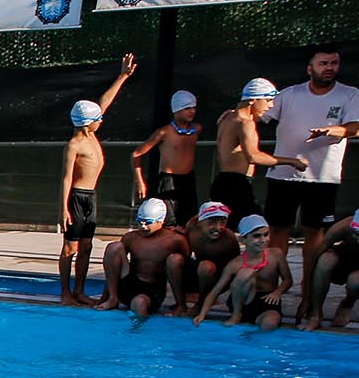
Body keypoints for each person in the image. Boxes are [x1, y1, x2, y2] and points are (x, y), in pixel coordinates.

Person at [261, 45, 359, 313]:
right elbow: (259, 113)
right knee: (277, 232)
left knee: (314, 235)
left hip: (322, 179)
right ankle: (272, 292)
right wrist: (236, 113)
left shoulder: (350, 95)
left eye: (334, 63)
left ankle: (307, 296)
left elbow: (354, 126)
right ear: (310, 68)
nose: (329, 68)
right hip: (283, 175)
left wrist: (333, 130)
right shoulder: (288, 95)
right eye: (324, 63)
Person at [59, 53, 137, 305]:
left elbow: (105, 102)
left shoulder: (91, 134)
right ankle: (65, 293)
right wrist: (63, 209)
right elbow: (66, 177)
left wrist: (122, 76)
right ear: (86, 123)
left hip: (91, 197)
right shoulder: (74, 145)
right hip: (76, 199)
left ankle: (79, 290)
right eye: (98, 119)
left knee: (86, 246)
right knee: (70, 248)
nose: (102, 119)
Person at [211, 79, 305, 223]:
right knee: (257, 227)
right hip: (237, 186)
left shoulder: (228, 117)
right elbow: (253, 157)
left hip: (223, 182)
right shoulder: (245, 123)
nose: (271, 105)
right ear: (252, 100)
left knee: (228, 232)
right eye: (268, 100)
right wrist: (292, 161)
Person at [194, 214, 291, 331]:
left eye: (266, 235)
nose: (263, 240)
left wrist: (277, 292)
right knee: (246, 272)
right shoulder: (235, 264)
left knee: (269, 324)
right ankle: (236, 315)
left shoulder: (276, 255)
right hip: (242, 302)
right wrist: (202, 314)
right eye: (257, 236)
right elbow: (215, 291)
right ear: (243, 239)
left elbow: (288, 280)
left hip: (267, 302)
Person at [94, 198, 189, 318]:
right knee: (114, 247)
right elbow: (114, 267)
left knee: (140, 303)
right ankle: (113, 298)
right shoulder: (131, 237)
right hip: (129, 283)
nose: (143, 226)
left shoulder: (176, 240)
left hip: (153, 290)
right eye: (139, 221)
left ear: (161, 221)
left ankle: (137, 332)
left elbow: (185, 269)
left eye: (148, 222)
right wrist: (105, 296)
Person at [131, 90, 202, 226]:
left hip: (188, 180)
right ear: (176, 110)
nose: (192, 111)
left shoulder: (197, 129)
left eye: (194, 107)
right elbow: (136, 154)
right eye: (187, 108)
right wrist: (139, 181)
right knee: (168, 221)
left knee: (189, 220)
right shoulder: (164, 132)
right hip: (168, 180)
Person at [299, 209, 359, 331]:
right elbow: (314, 259)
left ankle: (347, 304)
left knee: (355, 282)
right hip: (348, 258)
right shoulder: (343, 227)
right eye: (356, 235)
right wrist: (306, 299)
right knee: (325, 260)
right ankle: (316, 315)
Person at [181, 201, 239, 311]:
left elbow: (236, 269)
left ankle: (201, 305)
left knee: (206, 266)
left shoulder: (228, 240)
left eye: (223, 222)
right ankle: (180, 305)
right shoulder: (192, 227)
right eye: (212, 222)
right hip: (198, 275)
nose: (218, 228)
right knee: (173, 260)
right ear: (199, 223)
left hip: (218, 279)